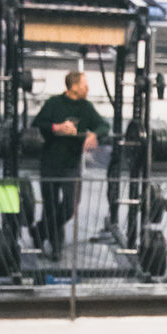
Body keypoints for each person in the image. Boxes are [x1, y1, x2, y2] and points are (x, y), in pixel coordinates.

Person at [32, 71, 110, 261]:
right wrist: (56, 127)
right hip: (50, 163)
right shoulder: (54, 103)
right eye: (84, 84)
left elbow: (103, 126)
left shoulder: (86, 107)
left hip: (71, 165)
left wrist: (94, 135)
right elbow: (38, 122)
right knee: (50, 206)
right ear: (73, 87)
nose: (87, 88)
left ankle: (40, 231)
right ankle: (56, 246)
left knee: (69, 207)